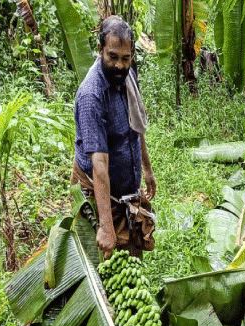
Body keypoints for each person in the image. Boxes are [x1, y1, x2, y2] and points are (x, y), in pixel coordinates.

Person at [71, 16, 156, 259]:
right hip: (97, 190)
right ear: (100, 51)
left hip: (125, 190)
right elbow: (100, 165)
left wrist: (146, 169)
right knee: (104, 266)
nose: (119, 65)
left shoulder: (127, 75)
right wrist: (106, 226)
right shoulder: (91, 96)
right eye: (113, 57)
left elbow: (135, 125)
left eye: (125, 58)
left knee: (131, 262)